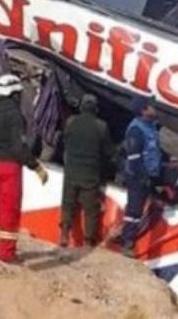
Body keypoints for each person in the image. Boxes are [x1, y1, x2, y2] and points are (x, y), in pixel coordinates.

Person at [0, 73, 49, 263]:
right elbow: (18, 147)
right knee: (10, 209)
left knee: (1, 207)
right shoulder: (14, 114)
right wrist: (35, 166)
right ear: (13, 94)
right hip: (10, 167)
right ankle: (6, 253)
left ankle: (1, 243)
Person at [59, 93, 115, 247]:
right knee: (91, 209)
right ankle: (89, 241)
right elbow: (109, 151)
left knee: (68, 203)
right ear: (95, 109)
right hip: (91, 173)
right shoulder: (101, 126)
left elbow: (65, 140)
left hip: (71, 170)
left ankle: (64, 235)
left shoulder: (70, 122)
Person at [121, 95, 163, 256]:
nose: (155, 108)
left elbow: (153, 150)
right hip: (137, 176)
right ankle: (127, 243)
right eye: (151, 106)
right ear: (144, 110)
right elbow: (133, 157)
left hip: (150, 173)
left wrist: (167, 160)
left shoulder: (151, 127)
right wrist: (142, 176)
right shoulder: (136, 129)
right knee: (134, 210)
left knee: (141, 208)